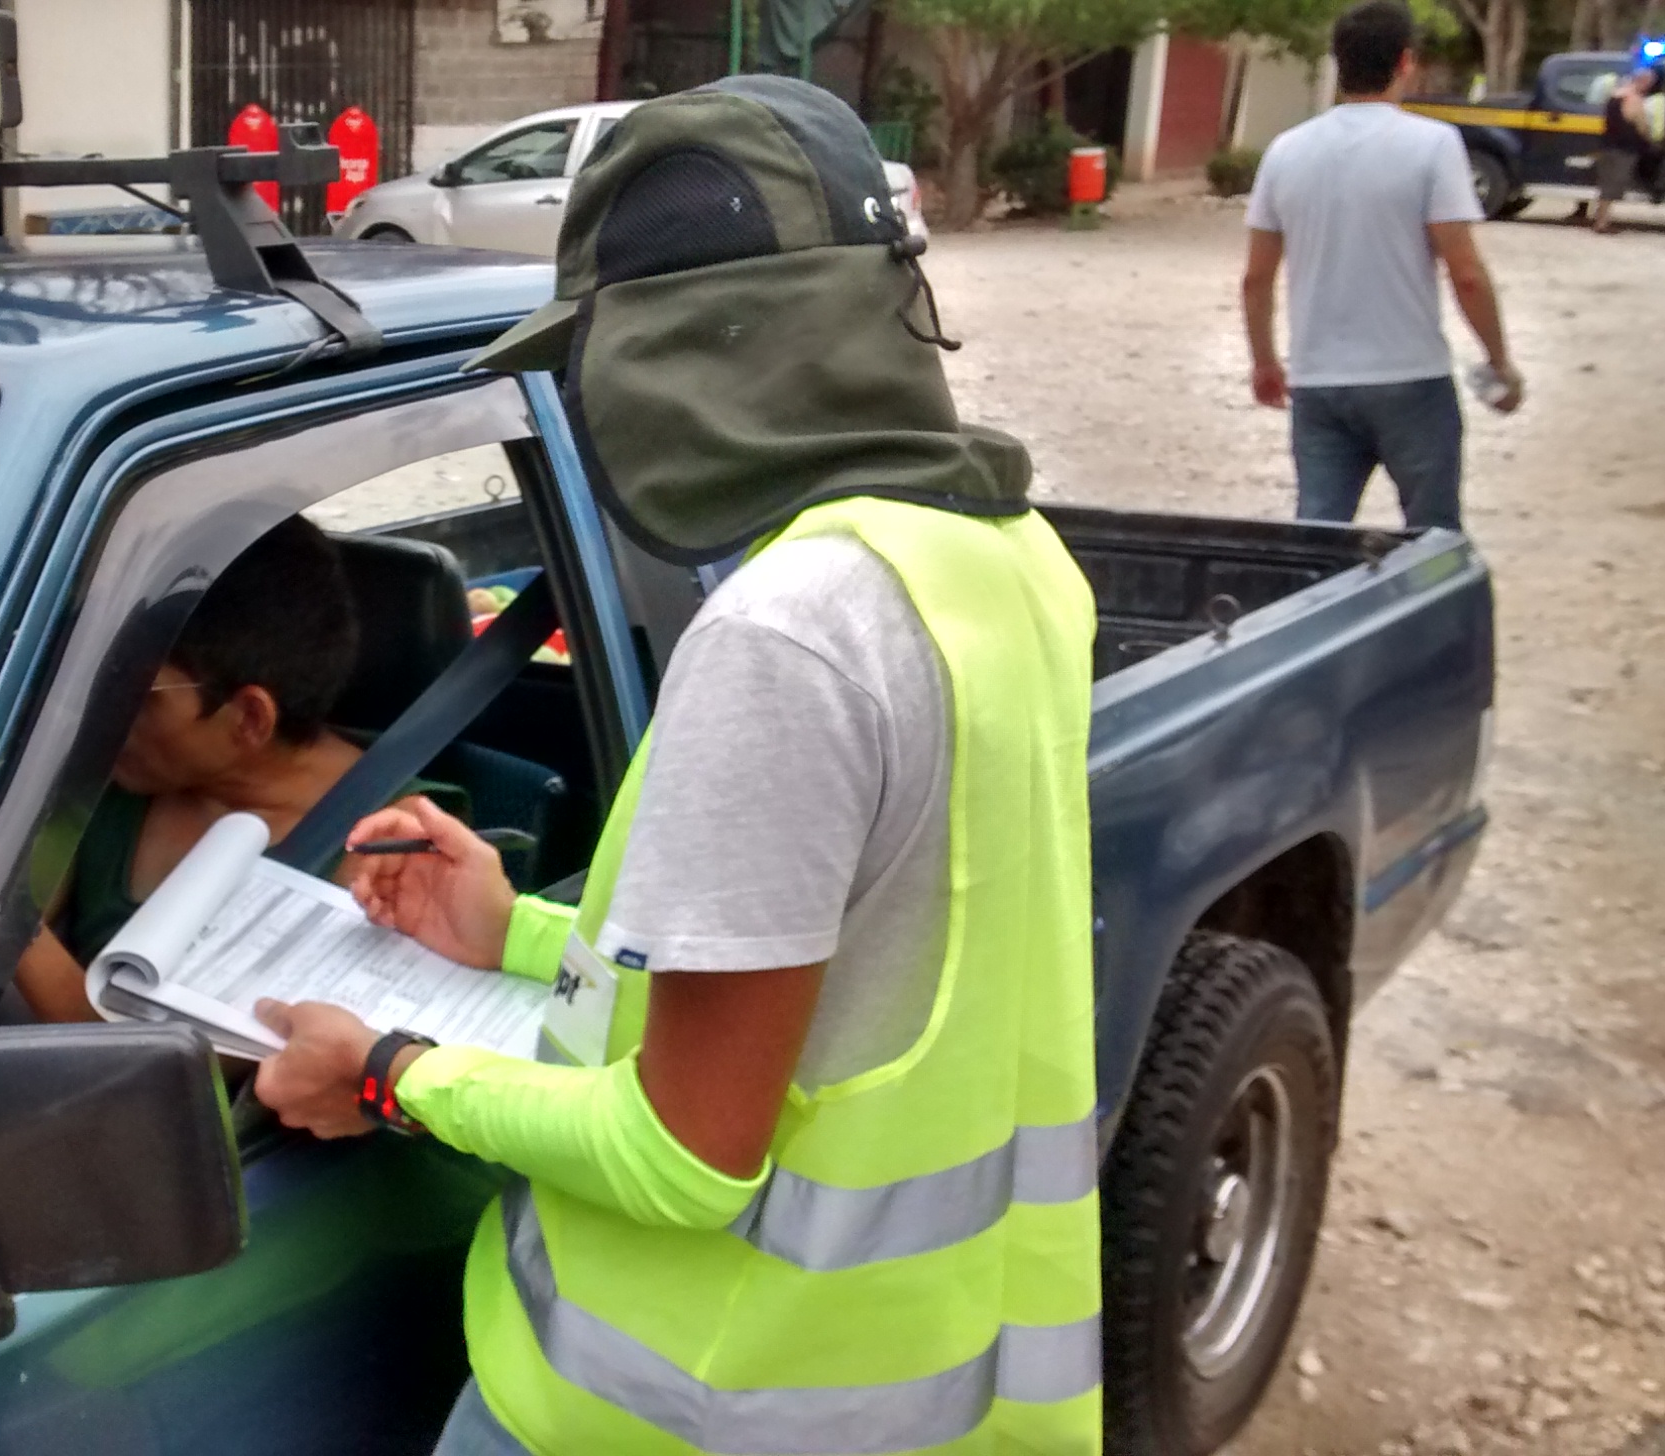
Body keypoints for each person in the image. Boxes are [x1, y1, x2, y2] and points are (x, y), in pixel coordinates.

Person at [252, 76, 1104, 1456]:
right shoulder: (1006, 564)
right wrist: (517, 930)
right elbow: (842, 991)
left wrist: (385, 1070)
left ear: (687, 353)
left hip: (678, 1410)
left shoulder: (792, 632)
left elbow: (685, 1157)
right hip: (900, 1387)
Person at [11, 514, 466, 1022]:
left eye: (134, 695)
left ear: (249, 718)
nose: (97, 712)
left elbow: (155, 1056)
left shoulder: (391, 844)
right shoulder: (118, 778)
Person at [1241, 0, 1521, 534]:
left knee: (1318, 536)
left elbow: (1256, 277)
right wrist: (1498, 360)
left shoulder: (1286, 151)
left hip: (1319, 377)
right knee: (1432, 536)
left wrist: (1265, 361)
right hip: (1410, 374)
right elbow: (1465, 271)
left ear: (1338, 62)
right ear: (1405, 61)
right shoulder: (1432, 145)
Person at [1594, 68, 1661, 234]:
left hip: (1608, 145)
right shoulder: (1634, 99)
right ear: (1643, 81)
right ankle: (1602, 224)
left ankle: (1600, 219)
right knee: (1614, 185)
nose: (1649, 86)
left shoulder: (1616, 95)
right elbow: (1640, 124)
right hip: (1624, 149)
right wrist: (1649, 138)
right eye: (1649, 82)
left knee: (1605, 184)